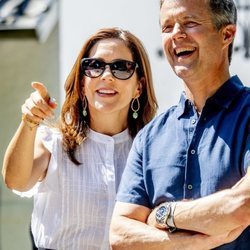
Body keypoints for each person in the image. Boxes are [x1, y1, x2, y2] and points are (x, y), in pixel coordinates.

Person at [110, 0, 250, 249]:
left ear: (227, 34)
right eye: (167, 27)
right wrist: (190, 243)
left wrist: (164, 215)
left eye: (190, 23)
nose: (176, 34)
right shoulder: (149, 138)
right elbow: (120, 236)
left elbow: (242, 206)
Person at [2, 27, 158, 249]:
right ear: (82, 83)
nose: (106, 76)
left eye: (121, 67)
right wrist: (29, 122)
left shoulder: (153, 150)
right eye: (94, 66)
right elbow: (15, 180)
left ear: (139, 87)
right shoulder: (53, 141)